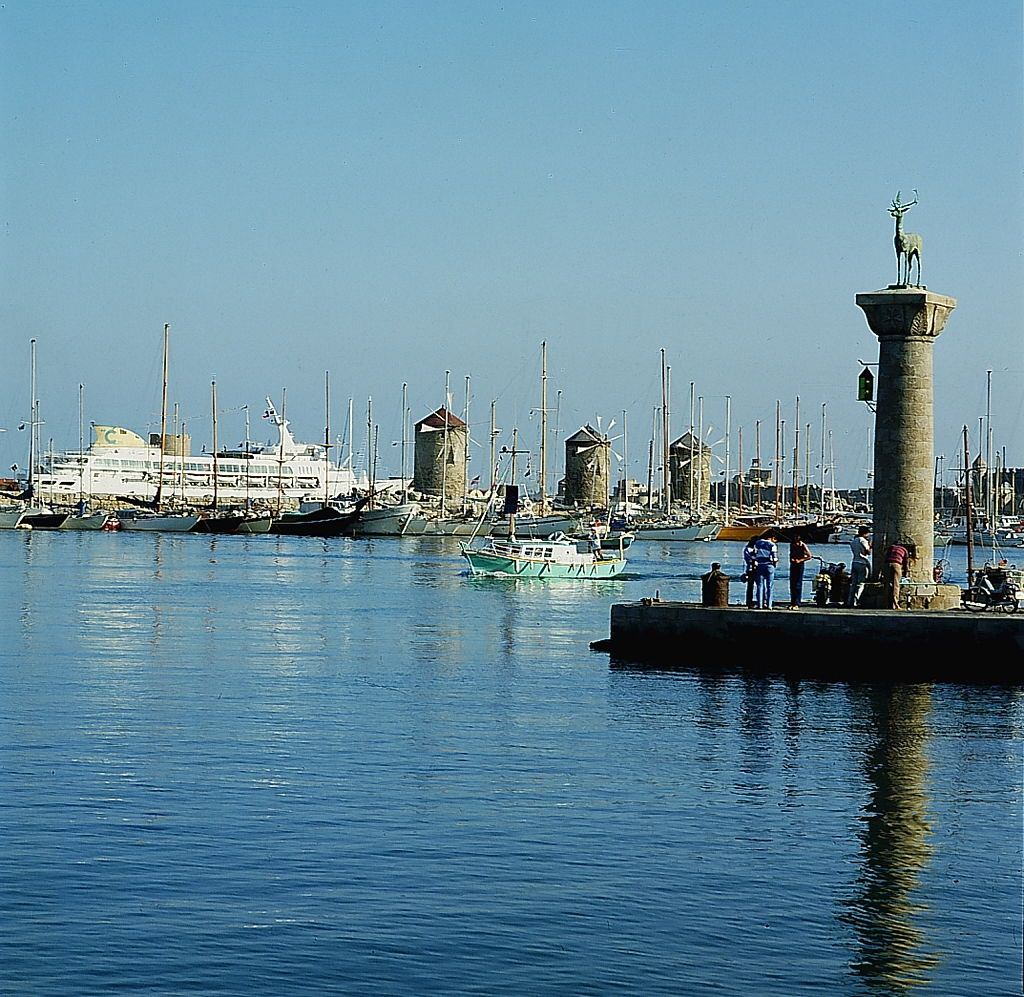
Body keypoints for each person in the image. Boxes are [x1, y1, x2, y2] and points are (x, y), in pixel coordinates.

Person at [752, 531, 779, 609]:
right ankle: (769, 605)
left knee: (760, 585)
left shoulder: (757, 543)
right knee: (770, 586)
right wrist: (775, 563)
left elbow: (754, 555)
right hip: (769, 565)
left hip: (760, 565)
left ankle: (760, 604)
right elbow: (774, 557)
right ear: (772, 538)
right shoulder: (772, 545)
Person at [846, 525, 872, 607]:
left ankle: (849, 601)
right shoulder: (863, 540)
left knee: (853, 583)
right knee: (860, 583)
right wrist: (870, 545)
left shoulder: (853, 541)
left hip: (854, 562)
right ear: (865, 533)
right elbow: (868, 552)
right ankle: (855, 601)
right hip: (862, 563)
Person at [788, 532, 812, 608]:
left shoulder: (803, 545)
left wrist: (800, 560)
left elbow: (809, 556)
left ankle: (797, 602)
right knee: (792, 584)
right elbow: (791, 554)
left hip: (800, 565)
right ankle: (792, 602)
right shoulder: (792, 545)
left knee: (798, 584)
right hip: (793, 564)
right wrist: (792, 559)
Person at [742, 537, 758, 607]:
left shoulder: (758, 549)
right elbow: (748, 559)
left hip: (759, 568)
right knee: (750, 586)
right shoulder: (747, 549)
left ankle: (760, 600)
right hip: (751, 569)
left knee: (760, 586)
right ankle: (749, 602)